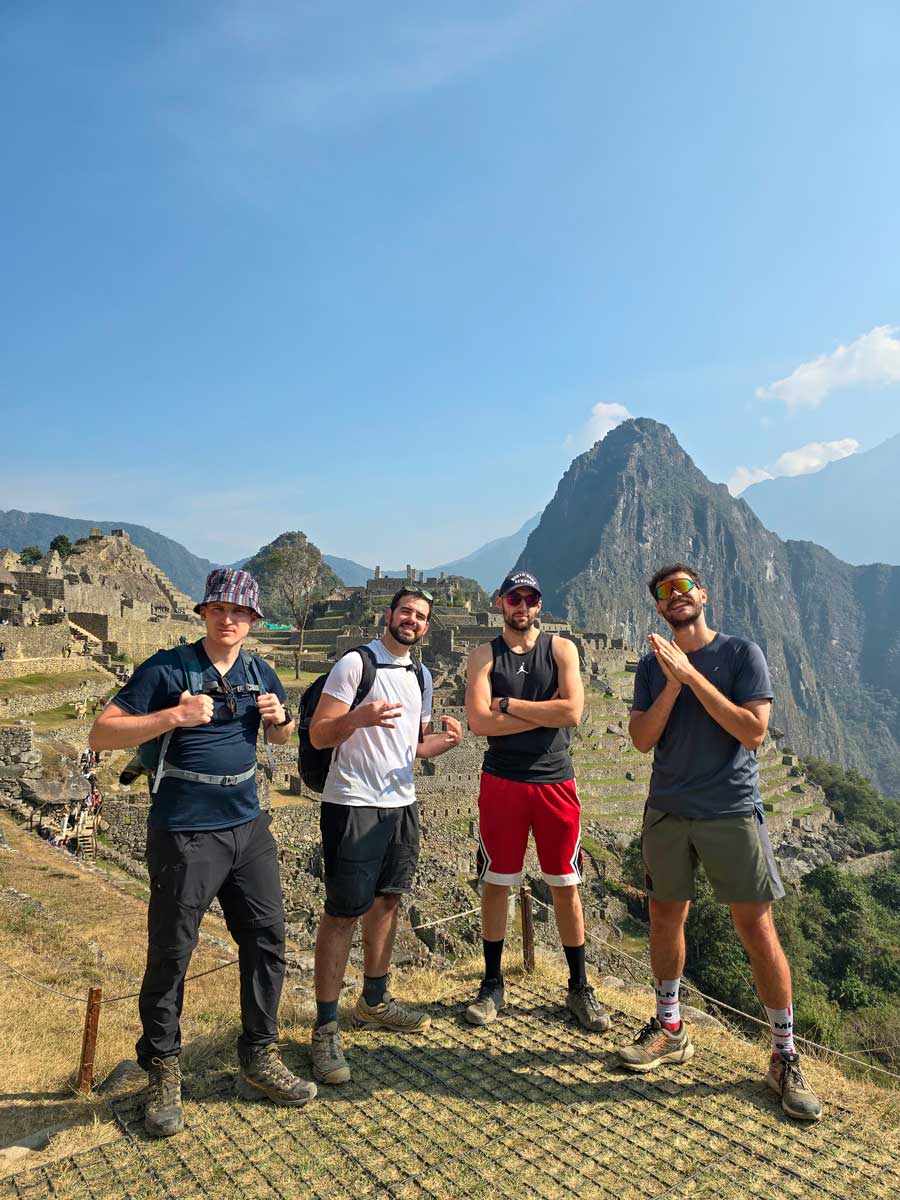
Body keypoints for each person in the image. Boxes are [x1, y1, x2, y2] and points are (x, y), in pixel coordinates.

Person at [89, 567, 316, 1137]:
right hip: (185, 831)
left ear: (252, 621)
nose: (230, 619)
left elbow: (284, 737)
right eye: (220, 609)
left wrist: (280, 719)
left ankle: (259, 1053)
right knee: (172, 949)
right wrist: (174, 715)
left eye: (240, 613)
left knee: (268, 938)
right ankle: (163, 1069)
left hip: (247, 826)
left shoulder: (259, 670)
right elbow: (101, 732)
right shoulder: (168, 668)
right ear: (204, 613)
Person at [617, 563, 822, 1122]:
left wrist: (690, 675)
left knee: (755, 927)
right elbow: (640, 740)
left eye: (683, 588)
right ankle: (670, 1026)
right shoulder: (649, 668)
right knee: (663, 917)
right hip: (668, 809)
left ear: (702, 594)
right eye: (664, 593)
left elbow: (752, 732)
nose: (675, 597)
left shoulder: (740, 655)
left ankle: (784, 1053)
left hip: (730, 809)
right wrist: (670, 681)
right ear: (658, 608)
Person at [307, 586, 463, 1086]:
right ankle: (325, 1027)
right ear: (389, 616)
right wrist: (357, 718)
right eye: (406, 613)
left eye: (420, 617)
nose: (412, 621)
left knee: (388, 901)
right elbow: (319, 733)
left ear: (426, 626)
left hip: (401, 803)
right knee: (342, 913)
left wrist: (447, 742)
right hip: (353, 802)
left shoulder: (422, 675)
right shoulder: (356, 666)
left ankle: (373, 999)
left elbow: (412, 746)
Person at [464, 572, 609, 1033]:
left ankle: (578, 986)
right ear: (500, 603)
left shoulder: (561, 649)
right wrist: (541, 713)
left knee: (566, 884)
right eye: (513, 598)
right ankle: (491, 983)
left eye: (529, 598)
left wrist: (510, 705)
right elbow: (479, 723)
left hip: (554, 782)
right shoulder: (484, 656)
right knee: (496, 883)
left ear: (538, 605)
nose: (521, 606)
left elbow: (572, 713)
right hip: (503, 781)